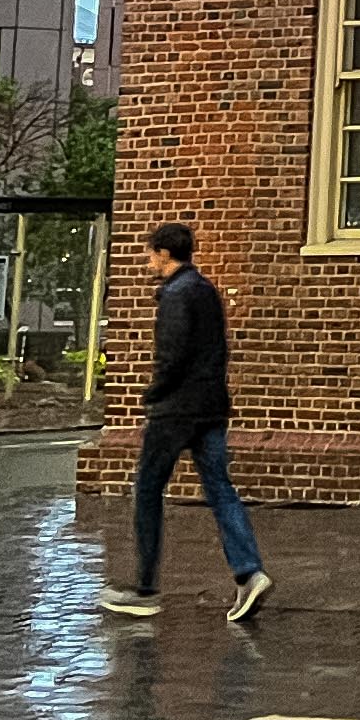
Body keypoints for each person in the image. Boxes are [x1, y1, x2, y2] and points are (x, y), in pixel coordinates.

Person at [100, 223, 271, 623]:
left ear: (163, 253)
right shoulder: (207, 290)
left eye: (150, 254)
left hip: (176, 409)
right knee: (220, 488)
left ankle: (145, 588)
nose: (148, 262)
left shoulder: (176, 295)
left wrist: (154, 393)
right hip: (211, 406)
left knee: (147, 489)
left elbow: (172, 355)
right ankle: (249, 571)